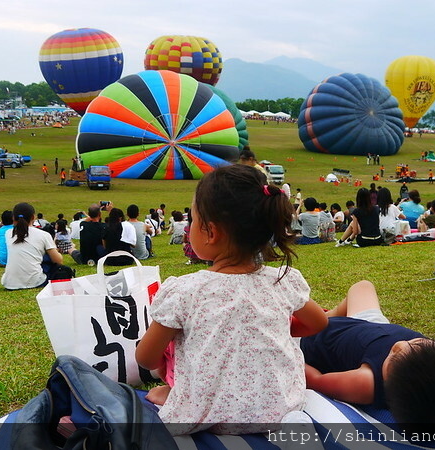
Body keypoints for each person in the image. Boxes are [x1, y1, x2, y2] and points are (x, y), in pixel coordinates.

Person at [134, 164, 328, 435]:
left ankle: (177, 396)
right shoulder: (283, 280)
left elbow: (145, 357)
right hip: (280, 409)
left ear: (210, 233)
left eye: (193, 220)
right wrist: (266, 325)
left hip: (209, 416)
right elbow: (318, 323)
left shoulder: (186, 290)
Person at [300, 280, 435, 425]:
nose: (398, 346)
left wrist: (288, 352)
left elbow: (316, 379)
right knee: (363, 286)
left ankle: (322, 319)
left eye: (393, 358)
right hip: (373, 325)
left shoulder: (364, 383)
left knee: (298, 308)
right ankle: (328, 315)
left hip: (319, 337)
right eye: (418, 343)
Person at [0, 203, 67, 290]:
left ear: (13, 217)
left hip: (9, 284)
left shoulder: (8, 233)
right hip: (35, 282)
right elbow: (58, 260)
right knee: (60, 267)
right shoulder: (43, 234)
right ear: (33, 217)